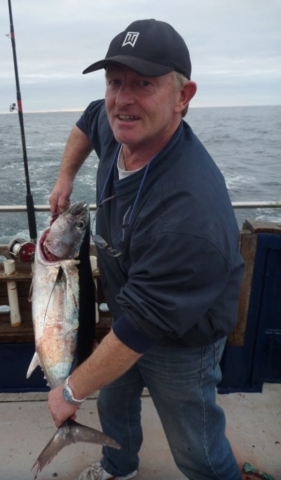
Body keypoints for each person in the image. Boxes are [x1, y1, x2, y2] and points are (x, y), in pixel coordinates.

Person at [48, 19, 244, 480]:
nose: (124, 98)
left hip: (181, 341)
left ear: (183, 96)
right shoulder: (117, 121)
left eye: (144, 84)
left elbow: (140, 329)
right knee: (114, 402)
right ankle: (118, 467)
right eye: (116, 81)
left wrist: (70, 392)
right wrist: (65, 177)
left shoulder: (191, 214)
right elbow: (87, 119)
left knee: (195, 444)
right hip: (127, 313)